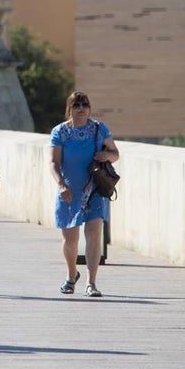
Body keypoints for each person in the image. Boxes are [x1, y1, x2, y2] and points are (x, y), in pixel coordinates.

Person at [50, 91, 119, 298]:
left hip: (94, 190)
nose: (81, 108)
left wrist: (106, 155)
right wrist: (61, 185)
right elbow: (53, 162)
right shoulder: (60, 132)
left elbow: (115, 154)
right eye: (76, 104)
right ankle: (72, 275)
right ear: (69, 108)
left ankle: (91, 282)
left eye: (85, 104)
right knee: (70, 239)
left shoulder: (99, 129)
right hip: (70, 190)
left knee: (94, 234)